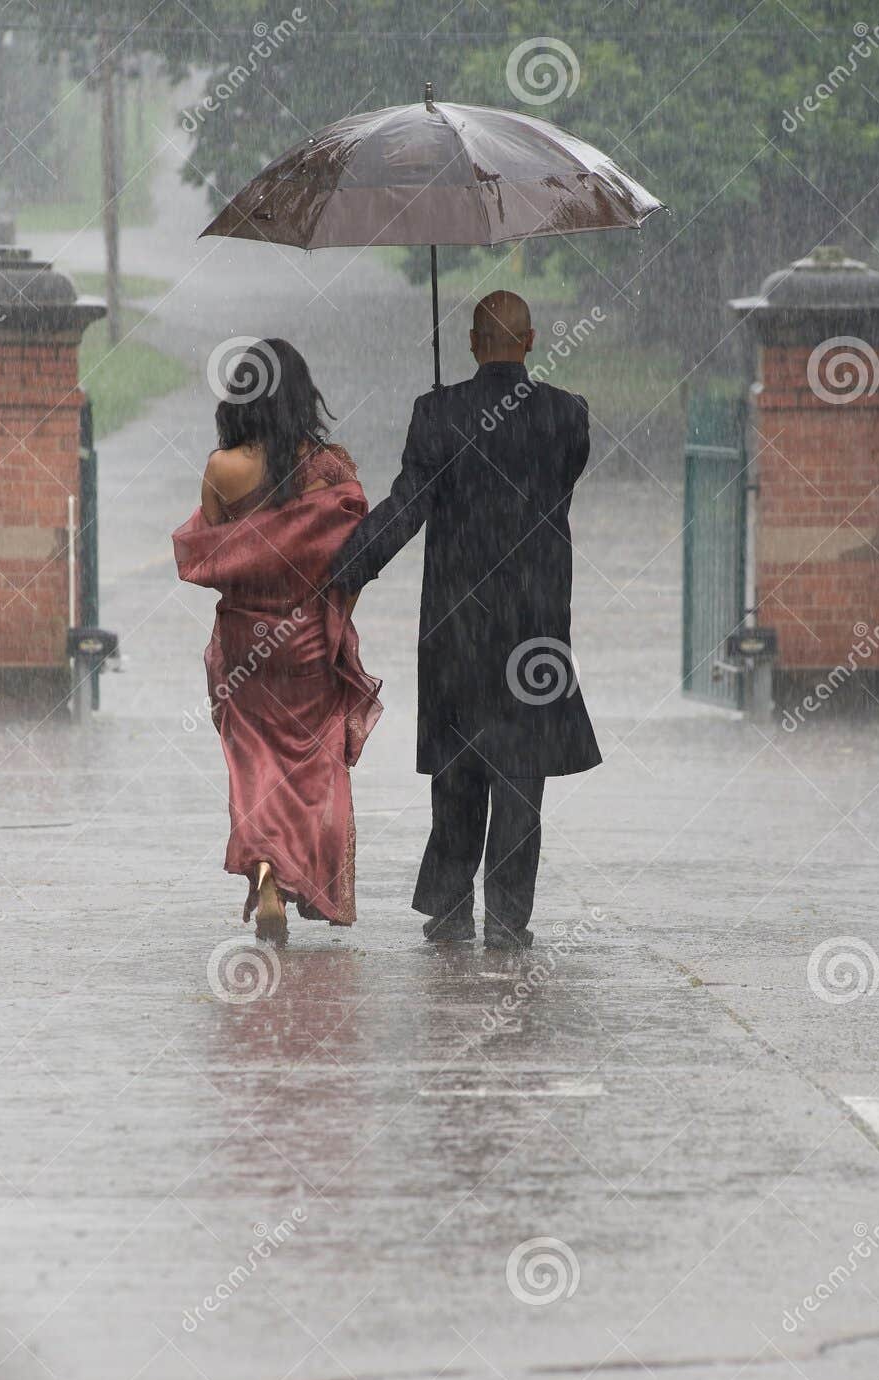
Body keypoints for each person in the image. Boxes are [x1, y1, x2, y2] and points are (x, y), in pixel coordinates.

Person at [331, 291, 600, 950]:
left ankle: (449, 906)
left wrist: (346, 569)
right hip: (533, 623)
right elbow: (558, 483)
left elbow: (406, 506)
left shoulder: (438, 413)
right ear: (530, 340)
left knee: (457, 770)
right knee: (520, 772)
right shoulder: (567, 416)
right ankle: (508, 920)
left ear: (474, 343)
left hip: (454, 620)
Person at [173, 338, 381, 943]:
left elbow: (216, 555)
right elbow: (353, 563)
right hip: (308, 638)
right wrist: (332, 616)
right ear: (300, 395)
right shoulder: (330, 471)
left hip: (245, 641)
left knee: (253, 763)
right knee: (316, 765)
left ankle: (267, 877)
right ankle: (302, 871)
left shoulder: (222, 469)